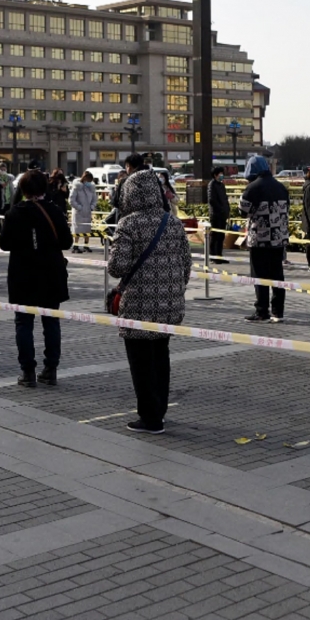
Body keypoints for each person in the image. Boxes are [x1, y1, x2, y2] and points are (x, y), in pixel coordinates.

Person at [108, 168, 191, 434]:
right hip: (169, 305)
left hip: (138, 306)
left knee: (141, 363)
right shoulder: (173, 222)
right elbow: (186, 265)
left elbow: (117, 267)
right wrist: (173, 290)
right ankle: (160, 410)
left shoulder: (128, 224)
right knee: (160, 357)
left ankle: (150, 418)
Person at [0, 169, 73, 386]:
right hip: (50, 274)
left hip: (23, 275)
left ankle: (27, 371)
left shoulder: (14, 214)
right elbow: (67, 243)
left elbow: (4, 244)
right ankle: (50, 369)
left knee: (23, 322)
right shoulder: (55, 210)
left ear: (22, 189)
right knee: (51, 321)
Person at [239, 155, 290, 323]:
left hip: (259, 239)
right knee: (277, 274)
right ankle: (278, 311)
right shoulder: (281, 187)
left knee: (259, 275)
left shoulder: (252, 188)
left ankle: (262, 311)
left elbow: (243, 210)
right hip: (278, 238)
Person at [206, 167, 231, 264]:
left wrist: (227, 210)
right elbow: (212, 200)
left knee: (221, 236)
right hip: (216, 215)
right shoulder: (212, 185)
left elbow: (225, 199)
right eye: (220, 174)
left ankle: (219, 256)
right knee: (215, 236)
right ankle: (213, 256)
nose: (222, 175)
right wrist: (220, 210)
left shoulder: (221, 185)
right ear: (215, 175)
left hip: (223, 215)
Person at [70, 171, 98, 254]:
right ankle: (76, 245)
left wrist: (92, 207)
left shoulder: (91, 188)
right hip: (78, 212)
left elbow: (94, 199)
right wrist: (79, 207)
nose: (89, 183)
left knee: (87, 229)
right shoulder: (76, 187)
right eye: (88, 180)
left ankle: (86, 245)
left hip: (88, 211)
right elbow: (71, 200)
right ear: (85, 178)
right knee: (77, 229)